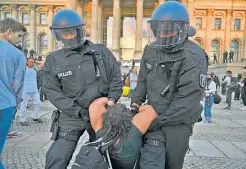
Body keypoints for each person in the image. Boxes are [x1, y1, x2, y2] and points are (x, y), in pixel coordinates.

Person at [131, 2, 208, 169]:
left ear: (182, 30)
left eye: (169, 30)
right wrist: (134, 106)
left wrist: (155, 120)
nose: (164, 34)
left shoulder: (194, 55)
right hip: (152, 119)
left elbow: (187, 102)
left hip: (177, 124)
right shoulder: (150, 50)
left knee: (172, 164)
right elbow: (143, 81)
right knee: (147, 160)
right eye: (160, 30)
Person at [43, 9, 122, 169]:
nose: (69, 36)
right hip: (72, 116)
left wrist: (111, 100)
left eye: (71, 32)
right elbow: (52, 91)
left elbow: (116, 78)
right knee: (57, 156)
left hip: (101, 113)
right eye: (64, 33)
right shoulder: (53, 59)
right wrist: (77, 111)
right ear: (58, 35)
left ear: (79, 30)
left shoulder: (101, 51)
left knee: (111, 156)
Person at [72, 97, 158, 169]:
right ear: (129, 119)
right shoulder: (135, 129)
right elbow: (151, 111)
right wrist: (139, 108)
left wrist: (110, 102)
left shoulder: (99, 127)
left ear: (106, 118)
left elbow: (96, 104)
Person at [0, 18, 26, 169]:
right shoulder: (17, 54)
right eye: (19, 36)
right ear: (9, 32)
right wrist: (17, 101)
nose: (20, 41)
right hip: (6, 104)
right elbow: (18, 84)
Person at [19, 58, 43, 126]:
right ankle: (22, 120)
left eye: (33, 62)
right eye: (30, 62)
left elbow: (42, 64)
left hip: (34, 90)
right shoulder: (24, 69)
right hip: (25, 90)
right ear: (27, 62)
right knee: (24, 105)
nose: (32, 63)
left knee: (37, 103)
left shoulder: (35, 69)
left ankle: (36, 117)